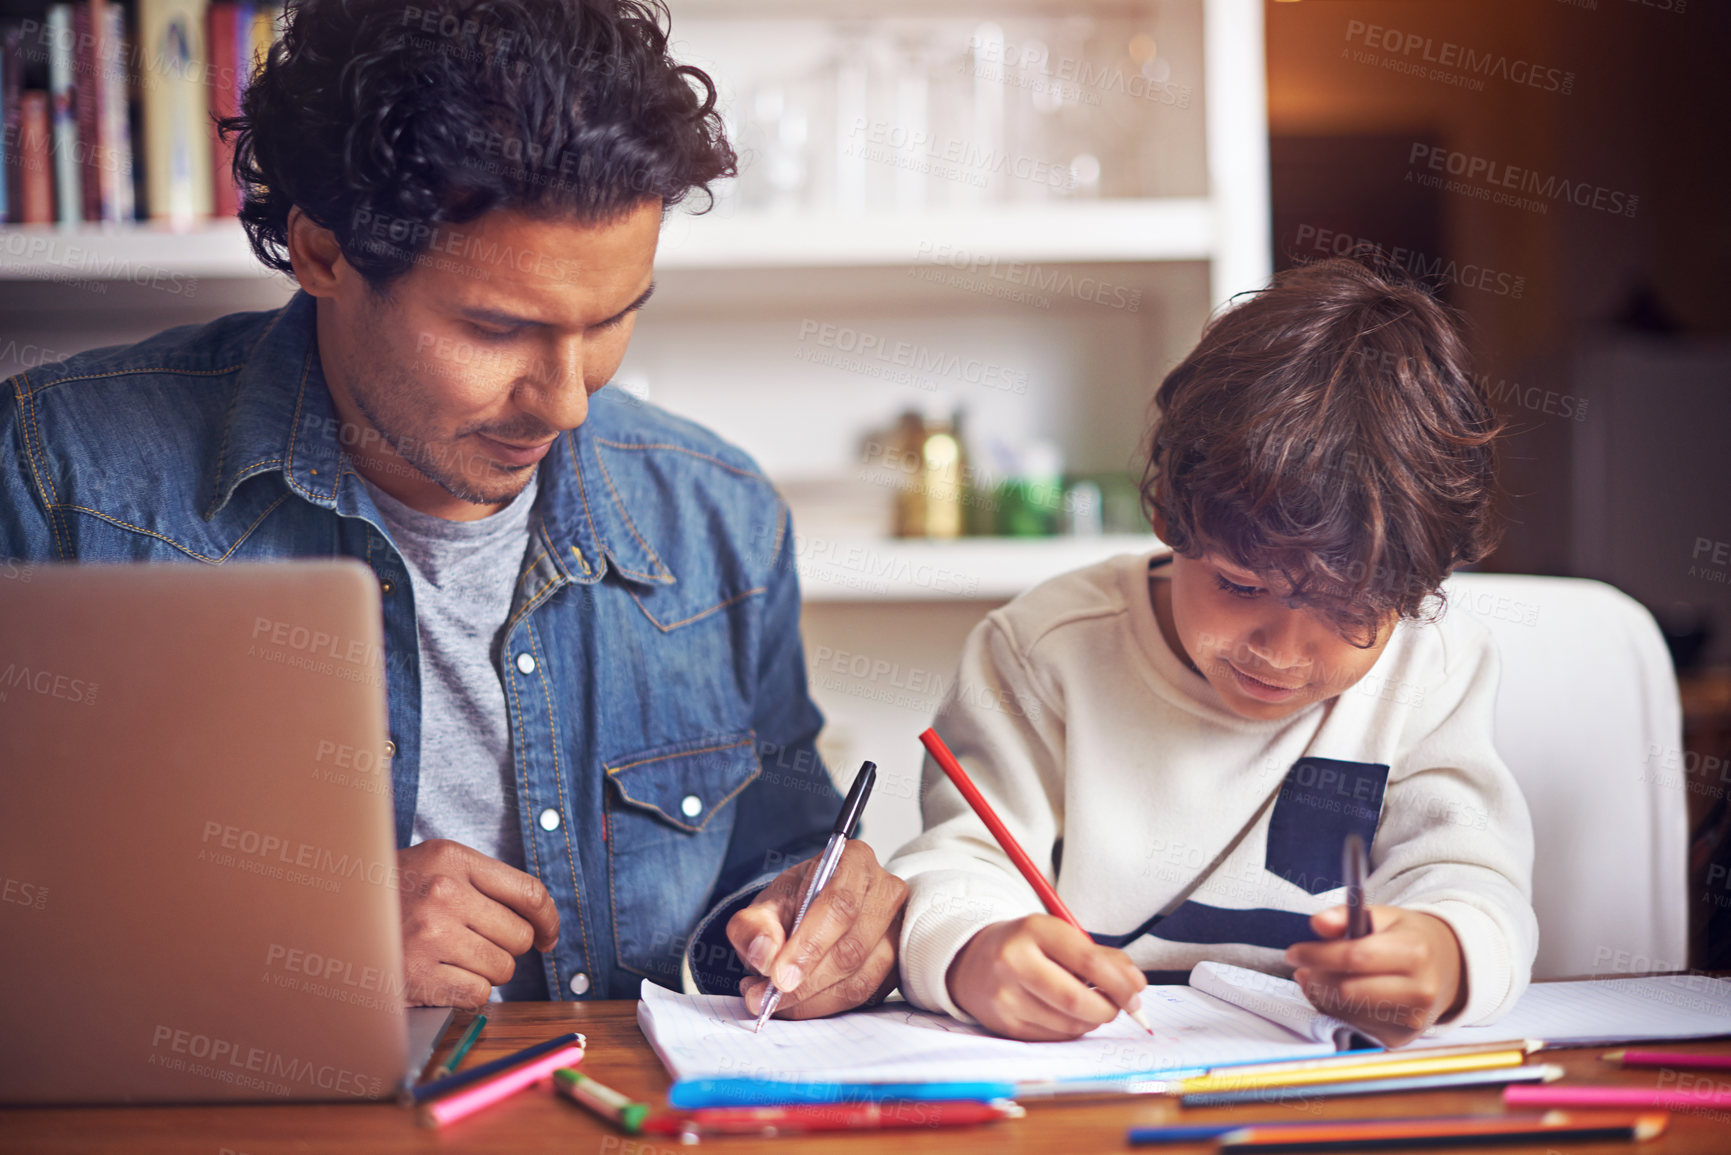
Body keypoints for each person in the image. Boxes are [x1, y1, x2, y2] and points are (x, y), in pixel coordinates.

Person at [0, 0, 906, 1018]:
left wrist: (830, 922)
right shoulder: (55, 475)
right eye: (495, 328)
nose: (567, 401)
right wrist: (286, 935)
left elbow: (780, 857)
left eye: (612, 320)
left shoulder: (718, 516)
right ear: (325, 254)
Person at [888, 258, 1538, 1046]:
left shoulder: (1432, 667)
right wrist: (970, 953)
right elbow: (957, 865)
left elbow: (1471, 877)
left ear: (1416, 589)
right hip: (1089, 1082)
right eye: (1238, 585)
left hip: (1331, 1087)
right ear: (1168, 511)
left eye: (1349, 613)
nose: (1282, 651)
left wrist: (1448, 951)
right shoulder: (1039, 652)